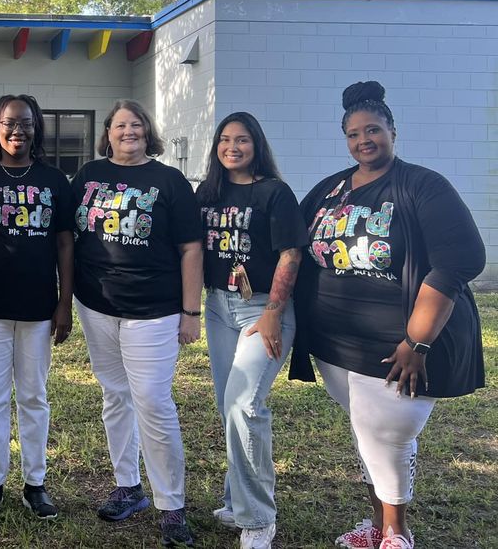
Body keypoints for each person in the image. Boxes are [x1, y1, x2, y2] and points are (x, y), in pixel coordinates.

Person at [290, 81, 486, 549]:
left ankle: (396, 534)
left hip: (398, 344)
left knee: (390, 438)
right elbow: (293, 244)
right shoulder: (330, 189)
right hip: (336, 343)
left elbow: (460, 259)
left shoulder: (421, 185)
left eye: (373, 130)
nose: (364, 141)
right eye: (354, 134)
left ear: (393, 131)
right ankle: (377, 524)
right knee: (367, 434)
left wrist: (417, 342)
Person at [71, 99, 202, 546]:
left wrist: (191, 312)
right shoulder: (88, 175)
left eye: (136, 124)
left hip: (155, 310)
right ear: (107, 132)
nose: (129, 131)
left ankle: (172, 505)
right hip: (96, 305)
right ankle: (128, 486)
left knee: (152, 400)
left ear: (148, 132)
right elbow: (69, 236)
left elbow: (190, 249)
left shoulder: (169, 180)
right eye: (120, 125)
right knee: (115, 395)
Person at [0, 94, 75, 520]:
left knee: (33, 396)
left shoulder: (54, 181)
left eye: (25, 123)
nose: (17, 130)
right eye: (9, 123)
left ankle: (35, 483)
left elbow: (65, 243)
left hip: (39, 307)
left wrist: (65, 303)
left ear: (36, 128)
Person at [196, 112, 307, 549]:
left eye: (242, 140)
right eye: (225, 139)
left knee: (245, 404)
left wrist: (274, 313)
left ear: (256, 145)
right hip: (218, 307)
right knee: (229, 405)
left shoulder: (274, 193)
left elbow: (291, 255)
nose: (232, 147)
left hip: (261, 309)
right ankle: (236, 501)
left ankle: (259, 517)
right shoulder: (208, 192)